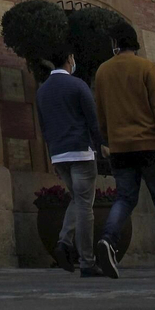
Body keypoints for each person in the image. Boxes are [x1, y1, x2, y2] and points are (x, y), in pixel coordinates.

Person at [91, 19, 155, 279]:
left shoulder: (102, 71)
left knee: (125, 198)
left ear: (115, 43)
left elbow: (100, 113)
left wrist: (108, 140)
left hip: (120, 148)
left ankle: (108, 240)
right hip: (149, 145)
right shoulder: (146, 67)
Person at [34, 46, 104, 278]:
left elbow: (43, 126)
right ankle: (86, 261)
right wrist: (100, 145)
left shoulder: (42, 91)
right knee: (85, 205)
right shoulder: (78, 85)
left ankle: (64, 242)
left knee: (77, 199)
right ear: (69, 59)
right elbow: (92, 119)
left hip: (58, 153)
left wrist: (52, 155)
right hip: (81, 151)